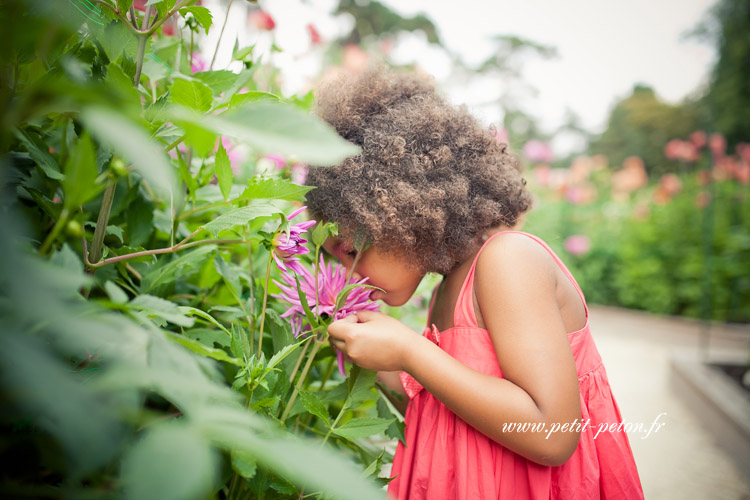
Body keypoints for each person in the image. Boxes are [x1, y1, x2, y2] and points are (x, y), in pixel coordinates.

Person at [306, 66, 644, 500]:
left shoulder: (507, 261)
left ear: (403, 212)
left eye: (352, 251)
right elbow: (449, 416)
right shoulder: (449, 287)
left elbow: (551, 433)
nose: (350, 276)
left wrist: (411, 350)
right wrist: (386, 362)